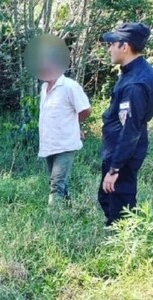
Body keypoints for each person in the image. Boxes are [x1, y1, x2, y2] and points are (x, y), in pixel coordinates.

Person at [99, 22, 153, 226]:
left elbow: (130, 129)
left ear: (125, 46)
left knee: (120, 206)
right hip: (119, 149)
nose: (109, 48)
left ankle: (125, 249)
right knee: (108, 198)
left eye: (113, 43)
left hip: (123, 152)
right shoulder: (133, 72)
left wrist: (115, 169)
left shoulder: (136, 83)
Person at [37, 46, 92, 205]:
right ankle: (71, 210)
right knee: (59, 183)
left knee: (56, 184)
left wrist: (75, 126)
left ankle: (54, 221)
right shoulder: (44, 88)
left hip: (66, 144)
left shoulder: (69, 86)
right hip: (49, 144)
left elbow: (86, 110)